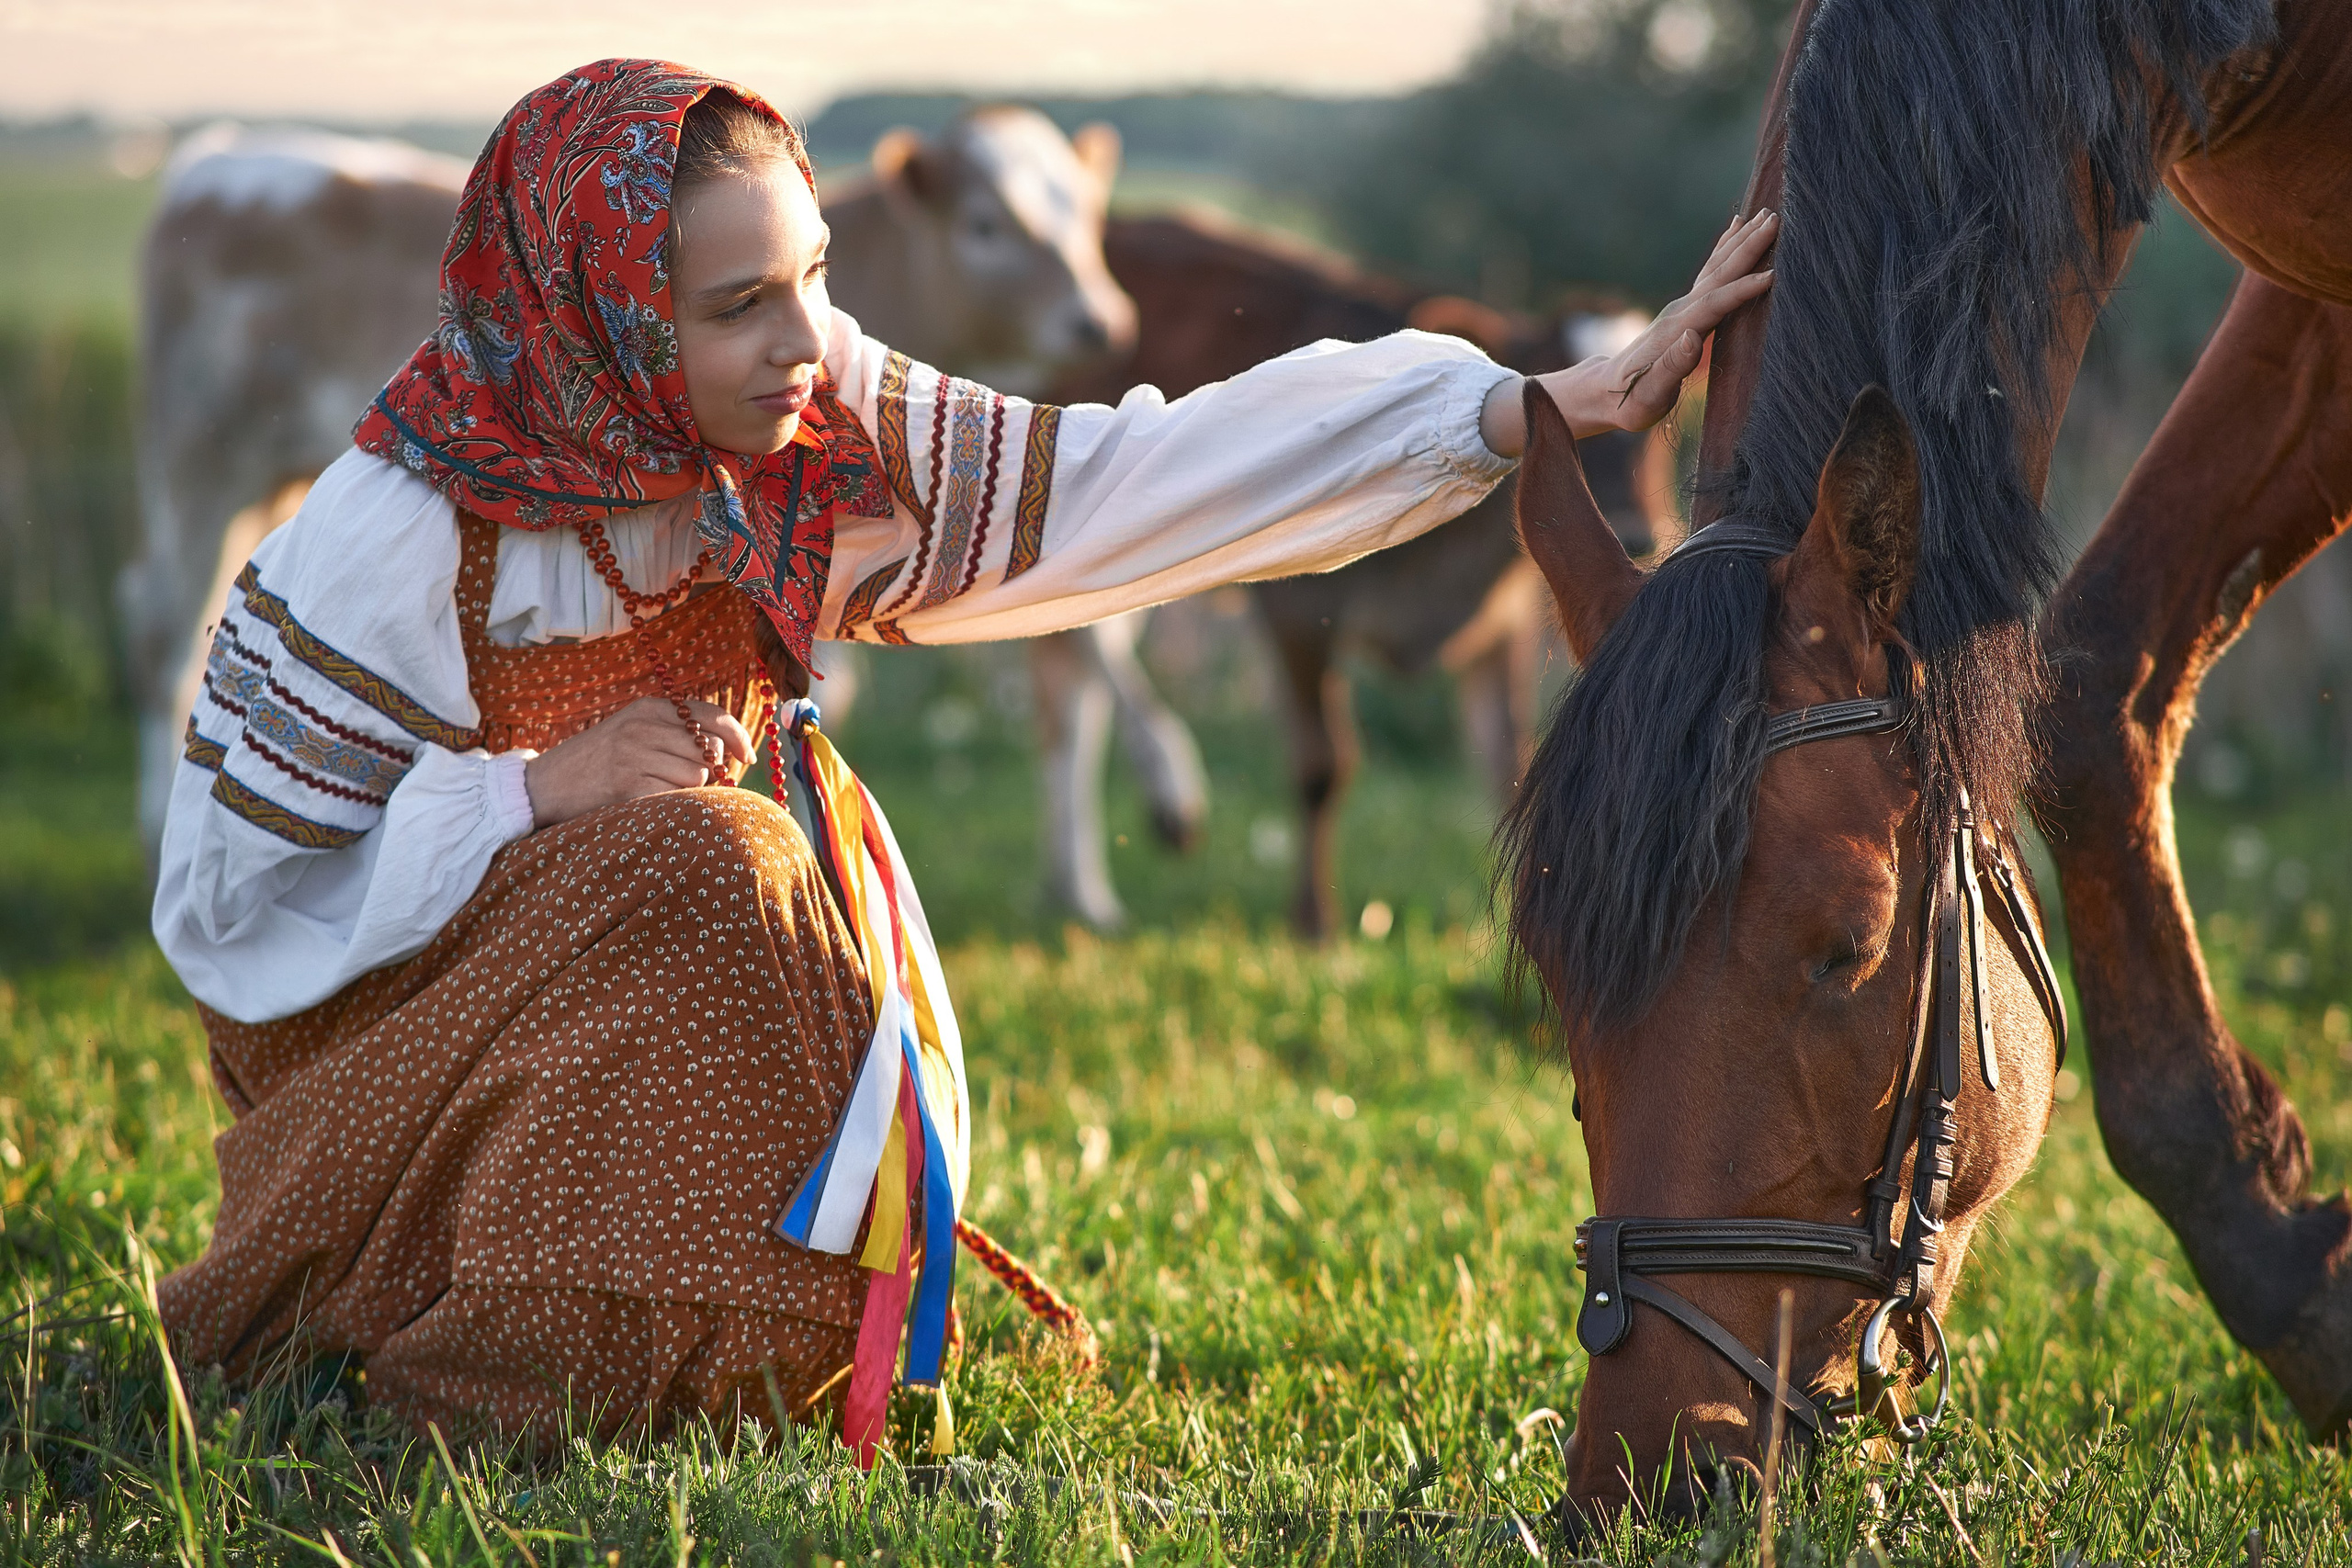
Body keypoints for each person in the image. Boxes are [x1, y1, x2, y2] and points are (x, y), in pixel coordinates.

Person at [153, 58, 1775, 1454]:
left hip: (647, 969)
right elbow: (229, 911)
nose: (808, 339)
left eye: (813, 274)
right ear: (601, 318)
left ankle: (725, 1343)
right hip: (380, 1077)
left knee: (771, 876)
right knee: (722, 863)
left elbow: (1126, 480)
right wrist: (534, 793)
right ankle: (473, 1322)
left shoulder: (805, 428)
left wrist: (1529, 409)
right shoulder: (396, 531)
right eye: (739, 306)